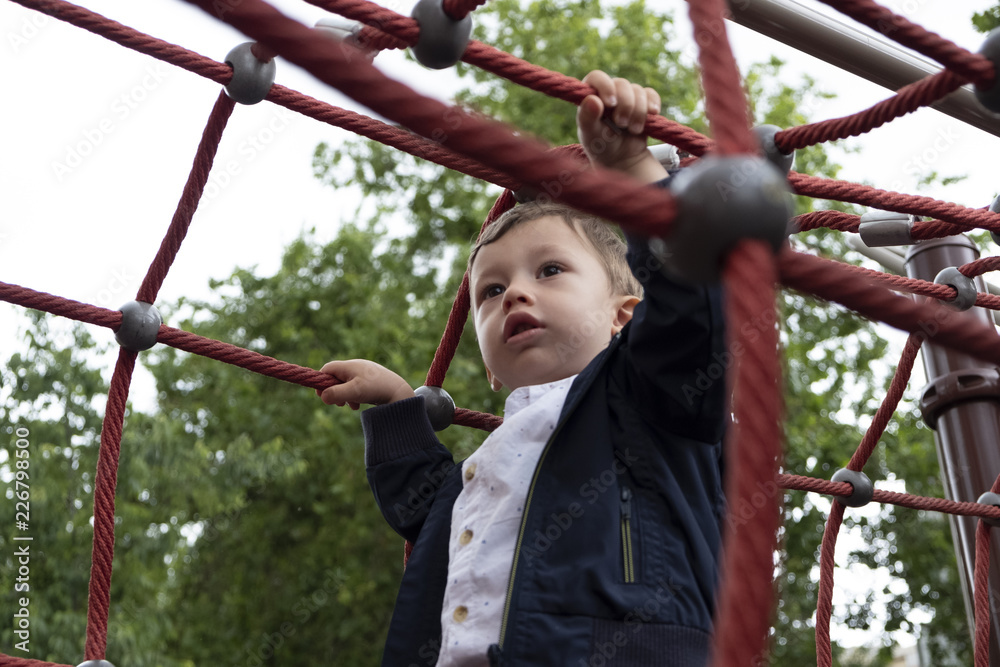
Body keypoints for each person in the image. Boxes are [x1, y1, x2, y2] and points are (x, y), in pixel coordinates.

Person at [318, 71, 727, 667]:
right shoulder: (495, 455)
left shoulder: (649, 395)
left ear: (626, 315)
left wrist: (638, 176)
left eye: (550, 270)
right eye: (490, 291)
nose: (513, 295)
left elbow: (689, 313)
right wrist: (398, 408)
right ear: (491, 373)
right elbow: (434, 512)